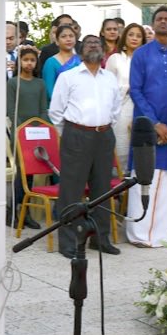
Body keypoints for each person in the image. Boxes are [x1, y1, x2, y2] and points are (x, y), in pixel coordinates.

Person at [126, 7, 167, 248]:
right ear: (153, 25)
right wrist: (156, 124)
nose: (163, 22)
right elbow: (136, 90)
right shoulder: (141, 55)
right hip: (147, 127)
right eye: (159, 19)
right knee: (145, 177)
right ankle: (141, 234)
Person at [49, 35, 121, 256]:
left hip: (104, 135)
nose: (93, 47)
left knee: (103, 190)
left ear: (102, 51)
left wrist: (103, 128)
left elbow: (115, 110)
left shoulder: (109, 78)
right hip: (77, 135)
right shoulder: (68, 77)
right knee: (71, 191)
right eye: (89, 44)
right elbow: (56, 112)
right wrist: (73, 133)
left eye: (97, 44)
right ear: (80, 51)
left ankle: (100, 239)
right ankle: (68, 242)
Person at [6, 45, 48, 230]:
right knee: (21, 172)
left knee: (30, 172)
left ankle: (25, 211)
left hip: (37, 133)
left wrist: (42, 128)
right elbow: (11, 110)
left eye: (32, 60)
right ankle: (11, 211)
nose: (29, 63)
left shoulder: (40, 83)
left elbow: (43, 109)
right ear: (19, 62)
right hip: (20, 131)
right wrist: (22, 130)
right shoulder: (13, 83)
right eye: (25, 60)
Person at [104, 22, 145, 175]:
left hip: (141, 106)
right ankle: (118, 188)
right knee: (121, 147)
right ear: (125, 36)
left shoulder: (145, 60)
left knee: (139, 147)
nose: (134, 38)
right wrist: (127, 88)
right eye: (131, 34)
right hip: (121, 106)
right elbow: (107, 87)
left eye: (139, 36)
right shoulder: (115, 58)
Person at [41, 23, 80, 100]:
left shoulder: (81, 60)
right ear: (57, 41)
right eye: (63, 36)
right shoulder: (51, 62)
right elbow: (49, 90)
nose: (68, 39)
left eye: (71, 36)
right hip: (58, 105)